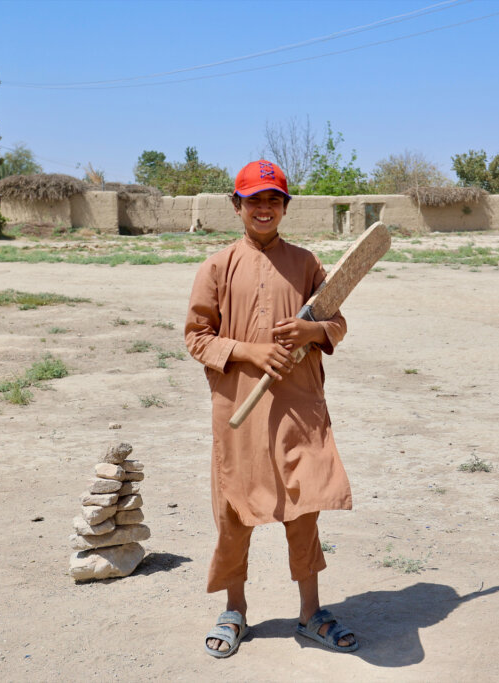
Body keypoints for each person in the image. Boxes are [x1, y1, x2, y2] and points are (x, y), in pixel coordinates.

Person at [185, 159, 358, 657]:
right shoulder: (217, 267)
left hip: (299, 408)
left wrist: (314, 330)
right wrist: (248, 351)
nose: (264, 208)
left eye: (274, 200)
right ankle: (234, 609)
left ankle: (311, 613)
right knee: (235, 511)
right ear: (236, 205)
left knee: (304, 508)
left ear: (285, 207)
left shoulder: (307, 264)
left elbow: (337, 320)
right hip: (239, 409)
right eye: (254, 199)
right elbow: (197, 338)